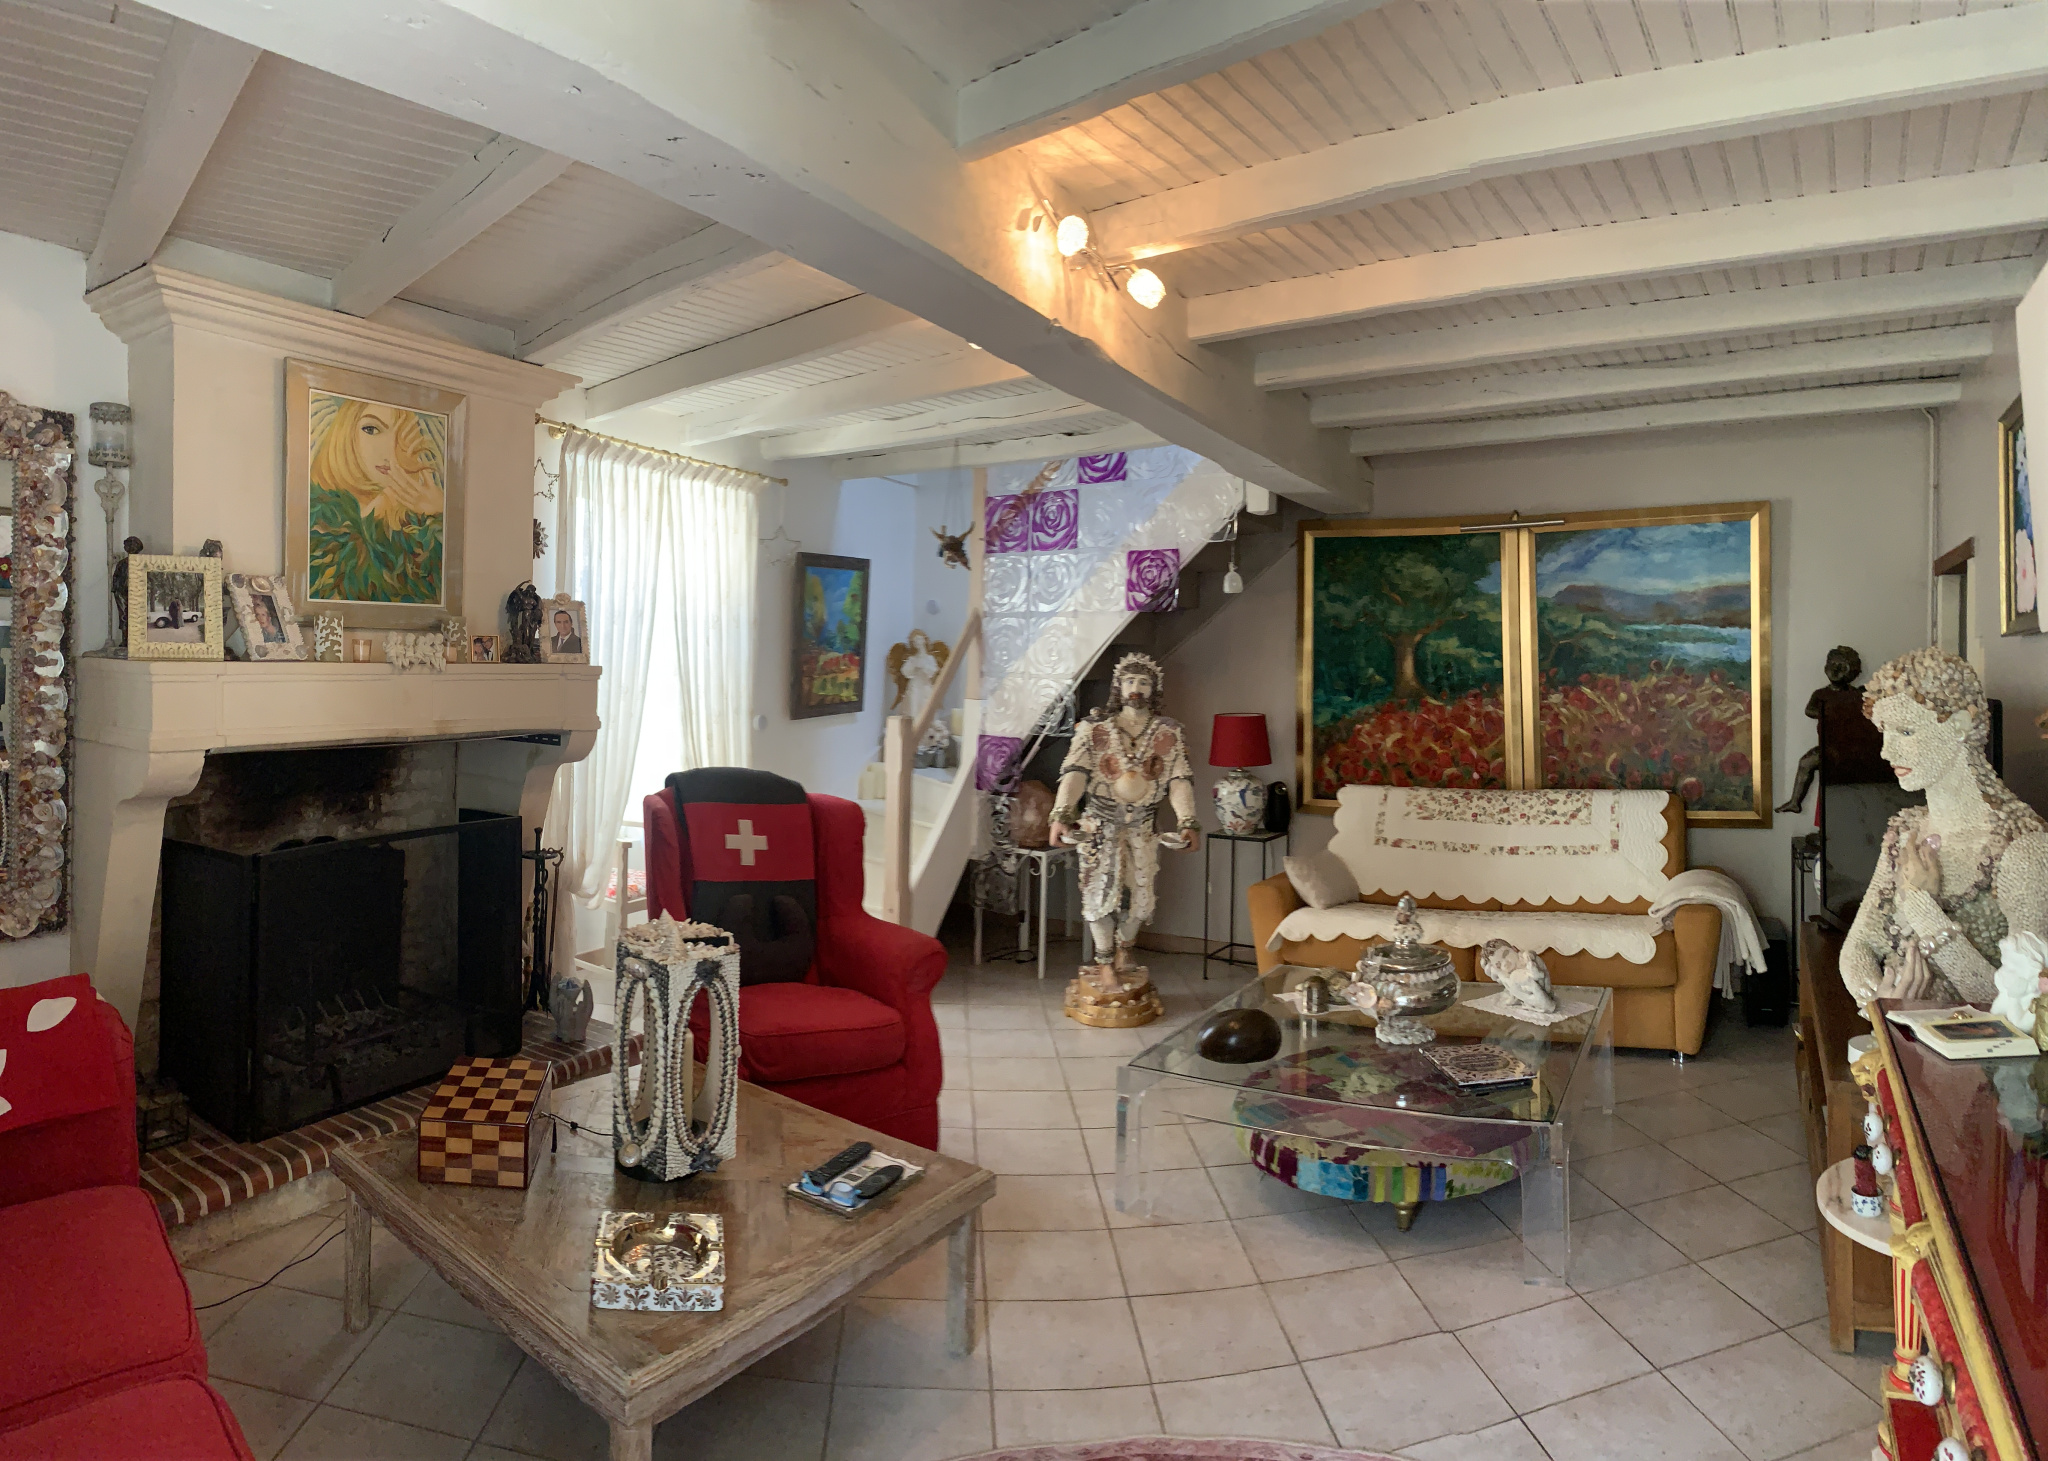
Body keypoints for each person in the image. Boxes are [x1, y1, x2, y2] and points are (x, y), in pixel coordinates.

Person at [1839, 647, 2048, 1006]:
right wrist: (1879, 1002)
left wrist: (1923, 909)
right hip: (1896, 1032)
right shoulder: (1906, 830)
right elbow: (1857, 947)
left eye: (1906, 731)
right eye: (1885, 732)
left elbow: (2025, 1007)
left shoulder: (2023, 850)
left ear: (1960, 726)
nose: (1887, 752)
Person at [1049, 651, 1200, 997]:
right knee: (1099, 896)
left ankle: (1124, 949)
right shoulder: (1094, 729)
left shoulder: (1168, 733)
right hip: (1099, 827)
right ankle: (1104, 965)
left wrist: (1187, 820)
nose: (1136, 688)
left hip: (1143, 828)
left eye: (1144, 682)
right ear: (1118, 686)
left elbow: (1178, 779)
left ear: (1154, 689)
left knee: (1142, 899)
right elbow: (1075, 773)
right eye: (1130, 680)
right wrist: (1061, 813)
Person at [308, 397, 445, 605]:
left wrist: (440, 513)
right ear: (343, 433)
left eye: (402, 435)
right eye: (371, 430)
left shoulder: (414, 527)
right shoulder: (315, 517)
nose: (390, 448)